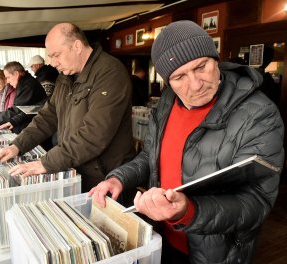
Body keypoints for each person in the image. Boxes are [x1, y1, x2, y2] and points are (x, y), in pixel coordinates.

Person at [88, 20, 284, 264]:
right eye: (179, 76)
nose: (195, 84)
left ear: (216, 59)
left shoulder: (259, 113)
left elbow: (257, 201)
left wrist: (188, 211)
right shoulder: (166, 104)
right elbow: (150, 156)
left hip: (218, 253)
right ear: (167, 81)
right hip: (160, 236)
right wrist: (119, 178)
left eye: (201, 67)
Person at [0, 22, 135, 193]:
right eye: (50, 56)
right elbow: (47, 116)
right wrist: (17, 146)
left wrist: (45, 163)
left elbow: (94, 135)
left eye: (56, 55)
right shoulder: (66, 77)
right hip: (75, 167)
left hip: (105, 177)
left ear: (77, 46)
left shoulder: (110, 73)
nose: (52, 63)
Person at [0, 61, 47, 133]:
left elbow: (16, 110)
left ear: (16, 74)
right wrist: (13, 122)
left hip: (36, 128)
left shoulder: (28, 85)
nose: (7, 81)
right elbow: (24, 110)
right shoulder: (24, 84)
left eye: (8, 77)